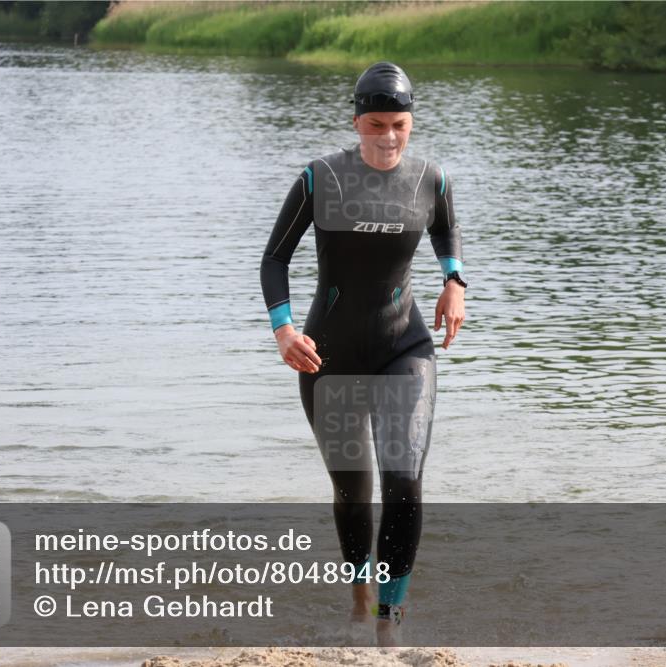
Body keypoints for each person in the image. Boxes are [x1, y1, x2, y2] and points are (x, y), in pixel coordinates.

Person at [259, 61, 466, 646]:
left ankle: (389, 623)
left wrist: (455, 281)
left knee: (406, 480)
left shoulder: (431, 178)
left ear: (411, 123)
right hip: (328, 357)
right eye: (376, 125)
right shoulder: (320, 178)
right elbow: (274, 258)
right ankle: (359, 595)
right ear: (357, 123)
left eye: (399, 124)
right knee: (354, 491)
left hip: (406, 346)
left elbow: (445, 230)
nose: (389, 137)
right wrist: (283, 330)